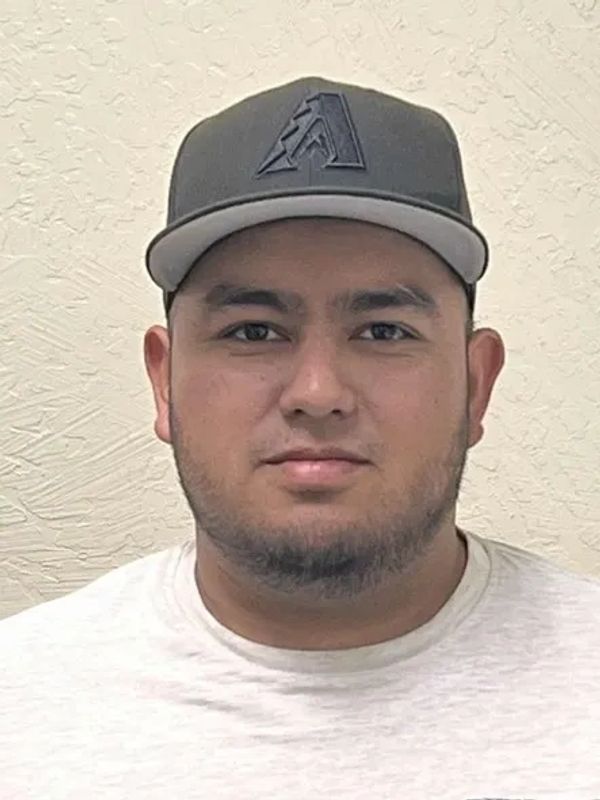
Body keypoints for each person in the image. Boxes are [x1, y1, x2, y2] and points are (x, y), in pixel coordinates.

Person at [1, 76, 599, 800]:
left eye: (384, 331)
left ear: (478, 382)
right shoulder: (19, 711)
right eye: (253, 331)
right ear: (164, 380)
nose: (317, 393)